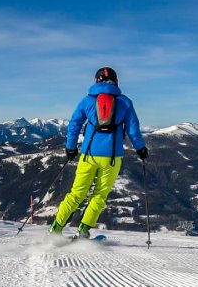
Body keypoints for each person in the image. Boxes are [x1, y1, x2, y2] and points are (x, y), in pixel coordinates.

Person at [49, 67, 148, 239]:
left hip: (88, 155)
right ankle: (83, 231)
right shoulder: (125, 102)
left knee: (76, 194)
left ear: (96, 81)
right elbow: (133, 131)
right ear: (116, 82)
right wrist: (141, 149)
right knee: (99, 195)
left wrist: (71, 147)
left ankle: (55, 229)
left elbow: (74, 125)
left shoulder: (87, 101)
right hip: (112, 158)